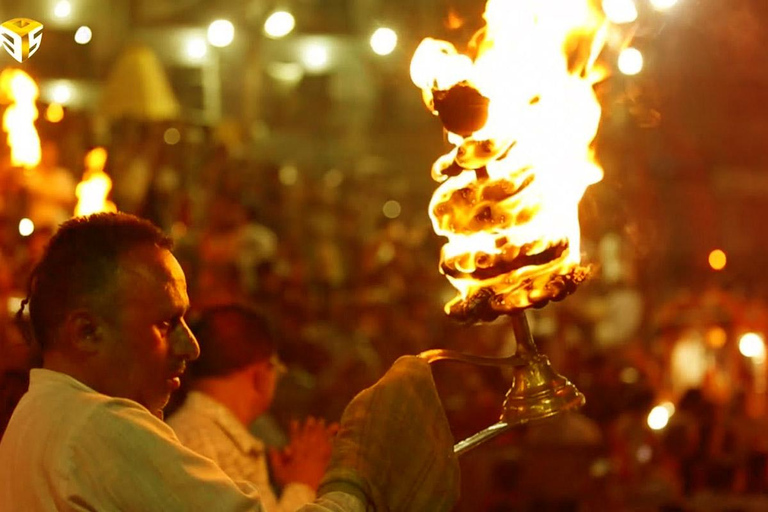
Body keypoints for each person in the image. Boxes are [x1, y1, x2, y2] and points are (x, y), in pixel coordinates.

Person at [0, 212, 459, 511]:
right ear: (86, 332)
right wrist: (359, 470)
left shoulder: (37, 418)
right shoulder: (96, 425)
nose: (191, 347)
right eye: (166, 324)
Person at [168, 304, 334, 511]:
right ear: (261, 374)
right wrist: (302, 485)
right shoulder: (201, 446)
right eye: (276, 368)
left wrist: (288, 486)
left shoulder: (200, 436)